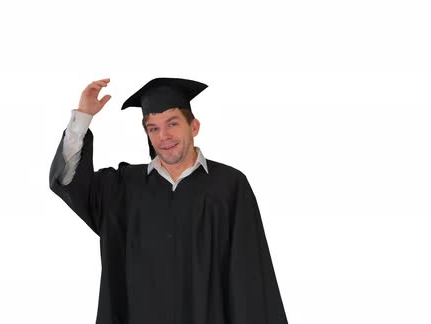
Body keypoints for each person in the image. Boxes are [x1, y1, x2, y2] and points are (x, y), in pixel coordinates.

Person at [49, 77, 289, 324]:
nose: (163, 136)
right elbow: (68, 181)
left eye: (172, 124)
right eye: (153, 128)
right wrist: (82, 119)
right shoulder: (122, 188)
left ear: (194, 127)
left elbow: (249, 273)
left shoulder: (229, 186)